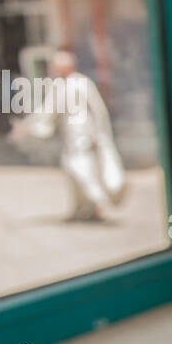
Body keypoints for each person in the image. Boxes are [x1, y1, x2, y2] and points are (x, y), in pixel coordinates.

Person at [27, 50, 127, 221]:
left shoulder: (81, 83)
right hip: (71, 137)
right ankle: (82, 208)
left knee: (82, 169)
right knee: (73, 170)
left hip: (85, 135)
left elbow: (97, 110)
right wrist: (34, 126)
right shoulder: (59, 85)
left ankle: (97, 203)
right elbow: (48, 110)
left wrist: (100, 134)